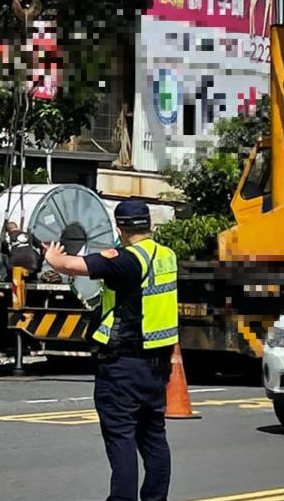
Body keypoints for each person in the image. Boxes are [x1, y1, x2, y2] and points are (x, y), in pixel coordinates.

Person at [42, 199, 179, 501]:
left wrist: (53, 257)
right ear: (150, 226)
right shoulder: (166, 256)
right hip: (157, 363)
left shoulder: (126, 260)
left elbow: (72, 266)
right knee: (154, 437)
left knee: (121, 440)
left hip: (123, 365)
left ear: (119, 228)